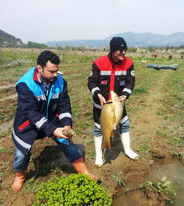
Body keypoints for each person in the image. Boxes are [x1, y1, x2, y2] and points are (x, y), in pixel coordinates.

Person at [11, 50, 95, 192]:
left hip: (52, 119)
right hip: (28, 123)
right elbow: (31, 113)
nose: (55, 75)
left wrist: (66, 123)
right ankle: (20, 175)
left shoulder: (60, 82)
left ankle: (84, 172)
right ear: (40, 68)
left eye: (57, 71)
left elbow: (64, 105)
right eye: (51, 72)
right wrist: (53, 130)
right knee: (21, 153)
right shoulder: (25, 84)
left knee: (67, 143)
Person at [87, 37, 139, 167]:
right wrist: (98, 94)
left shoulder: (128, 63)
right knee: (99, 129)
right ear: (112, 50)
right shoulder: (99, 63)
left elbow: (130, 82)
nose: (123, 53)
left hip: (118, 104)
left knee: (125, 124)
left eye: (124, 50)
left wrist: (125, 95)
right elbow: (91, 82)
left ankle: (127, 150)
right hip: (101, 105)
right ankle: (99, 155)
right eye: (120, 50)